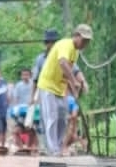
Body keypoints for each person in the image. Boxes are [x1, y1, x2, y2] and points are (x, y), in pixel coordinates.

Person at [36, 24, 92, 155]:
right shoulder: (65, 45)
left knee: (62, 117)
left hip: (60, 88)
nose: (85, 44)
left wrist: (76, 88)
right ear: (76, 36)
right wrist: (74, 81)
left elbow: (71, 70)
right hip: (48, 85)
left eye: (87, 42)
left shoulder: (75, 52)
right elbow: (62, 63)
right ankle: (53, 150)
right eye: (84, 40)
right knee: (52, 117)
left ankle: (60, 146)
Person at [63, 69, 89, 154]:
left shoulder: (73, 99)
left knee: (73, 132)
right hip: (66, 103)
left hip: (72, 105)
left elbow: (77, 94)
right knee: (71, 130)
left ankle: (65, 146)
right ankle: (64, 147)